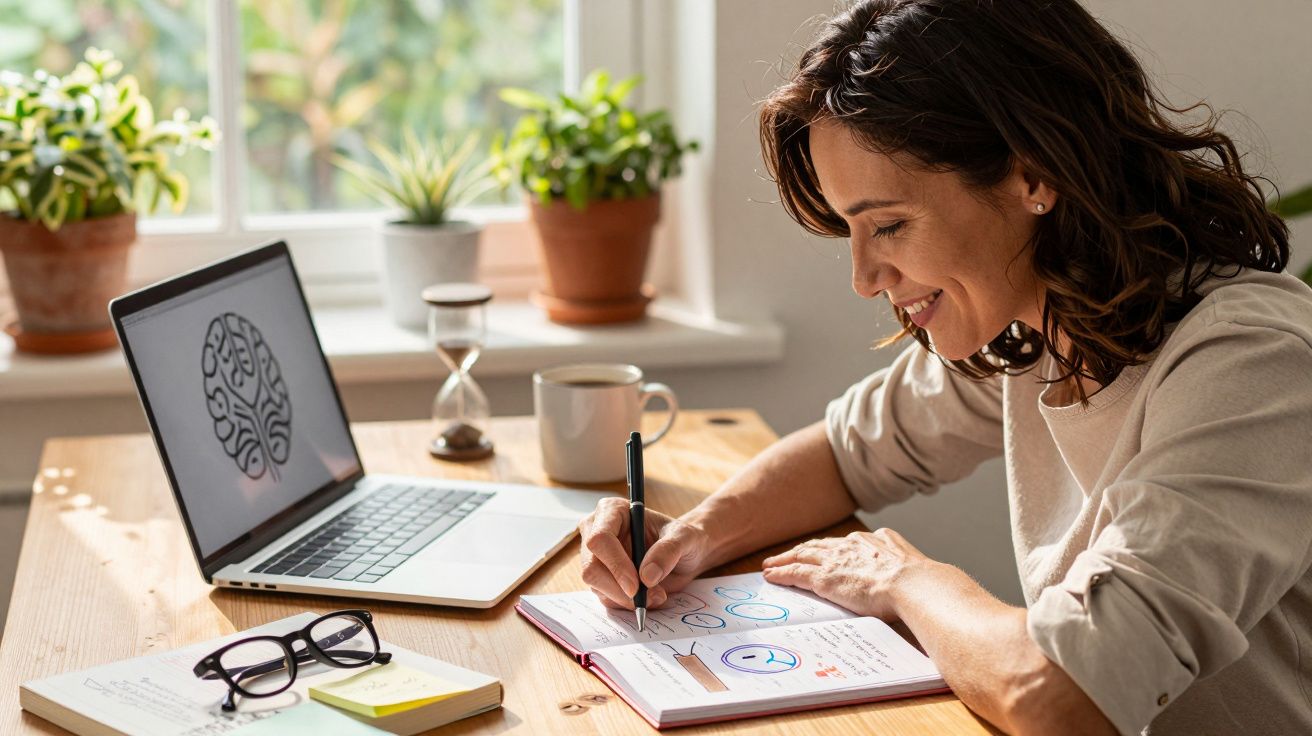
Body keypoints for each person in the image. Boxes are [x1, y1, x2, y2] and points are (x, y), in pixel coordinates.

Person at [576, 1, 1312, 734]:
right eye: (851, 231)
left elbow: (1060, 695)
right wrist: (690, 539)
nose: (865, 278)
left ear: (1033, 177)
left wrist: (909, 582)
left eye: (889, 224)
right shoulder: (1038, 323)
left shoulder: (1251, 365)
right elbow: (846, 454)